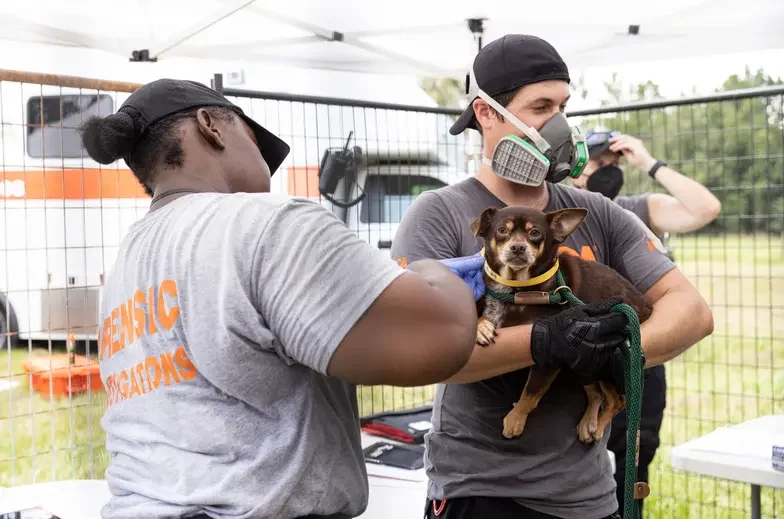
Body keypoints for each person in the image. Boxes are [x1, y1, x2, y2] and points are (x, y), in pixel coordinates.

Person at [80, 78, 487, 519]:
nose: (266, 166)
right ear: (210, 125)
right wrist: (432, 274)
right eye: (254, 140)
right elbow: (440, 337)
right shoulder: (264, 224)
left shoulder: (130, 259)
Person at [391, 34, 714, 519]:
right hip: (483, 491)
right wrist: (547, 342)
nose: (559, 123)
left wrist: (614, 349)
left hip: (589, 493)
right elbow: (421, 354)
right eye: (541, 106)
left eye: (563, 105)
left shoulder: (597, 214)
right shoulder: (438, 215)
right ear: (486, 113)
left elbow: (691, 311)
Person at [572, 129, 721, 517]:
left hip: (642, 358)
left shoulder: (636, 209)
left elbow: (705, 209)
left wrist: (648, 162)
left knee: (634, 460)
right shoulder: (566, 214)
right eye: (600, 164)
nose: (609, 172)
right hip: (583, 360)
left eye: (615, 165)